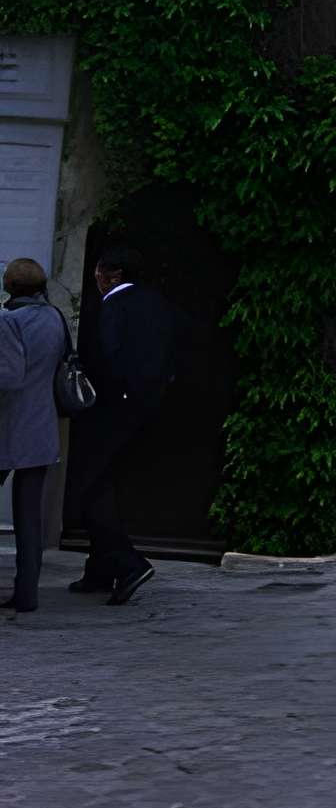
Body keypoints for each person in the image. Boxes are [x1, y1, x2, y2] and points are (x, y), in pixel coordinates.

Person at [67, 245, 175, 605]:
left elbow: (107, 358)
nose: (96, 278)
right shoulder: (156, 304)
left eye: (99, 272)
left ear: (111, 275)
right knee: (104, 481)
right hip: (147, 408)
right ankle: (100, 568)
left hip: (112, 410)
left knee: (88, 485)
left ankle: (127, 563)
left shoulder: (113, 306)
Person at [0, 257, 65, 613]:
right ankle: (27, 593)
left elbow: (7, 378)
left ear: (10, 287)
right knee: (29, 517)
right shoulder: (53, 316)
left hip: (9, 426)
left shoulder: (9, 321)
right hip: (41, 425)